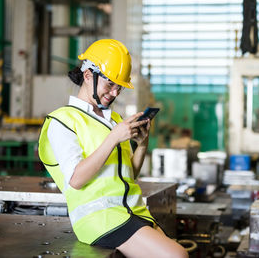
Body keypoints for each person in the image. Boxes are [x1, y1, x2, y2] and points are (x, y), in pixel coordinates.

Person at [38, 39, 187, 258]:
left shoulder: (114, 120)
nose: (115, 93)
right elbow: (76, 179)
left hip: (132, 212)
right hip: (99, 219)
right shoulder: (62, 121)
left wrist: (142, 143)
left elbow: (127, 176)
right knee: (177, 256)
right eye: (110, 84)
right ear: (88, 76)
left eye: (119, 87)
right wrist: (113, 139)